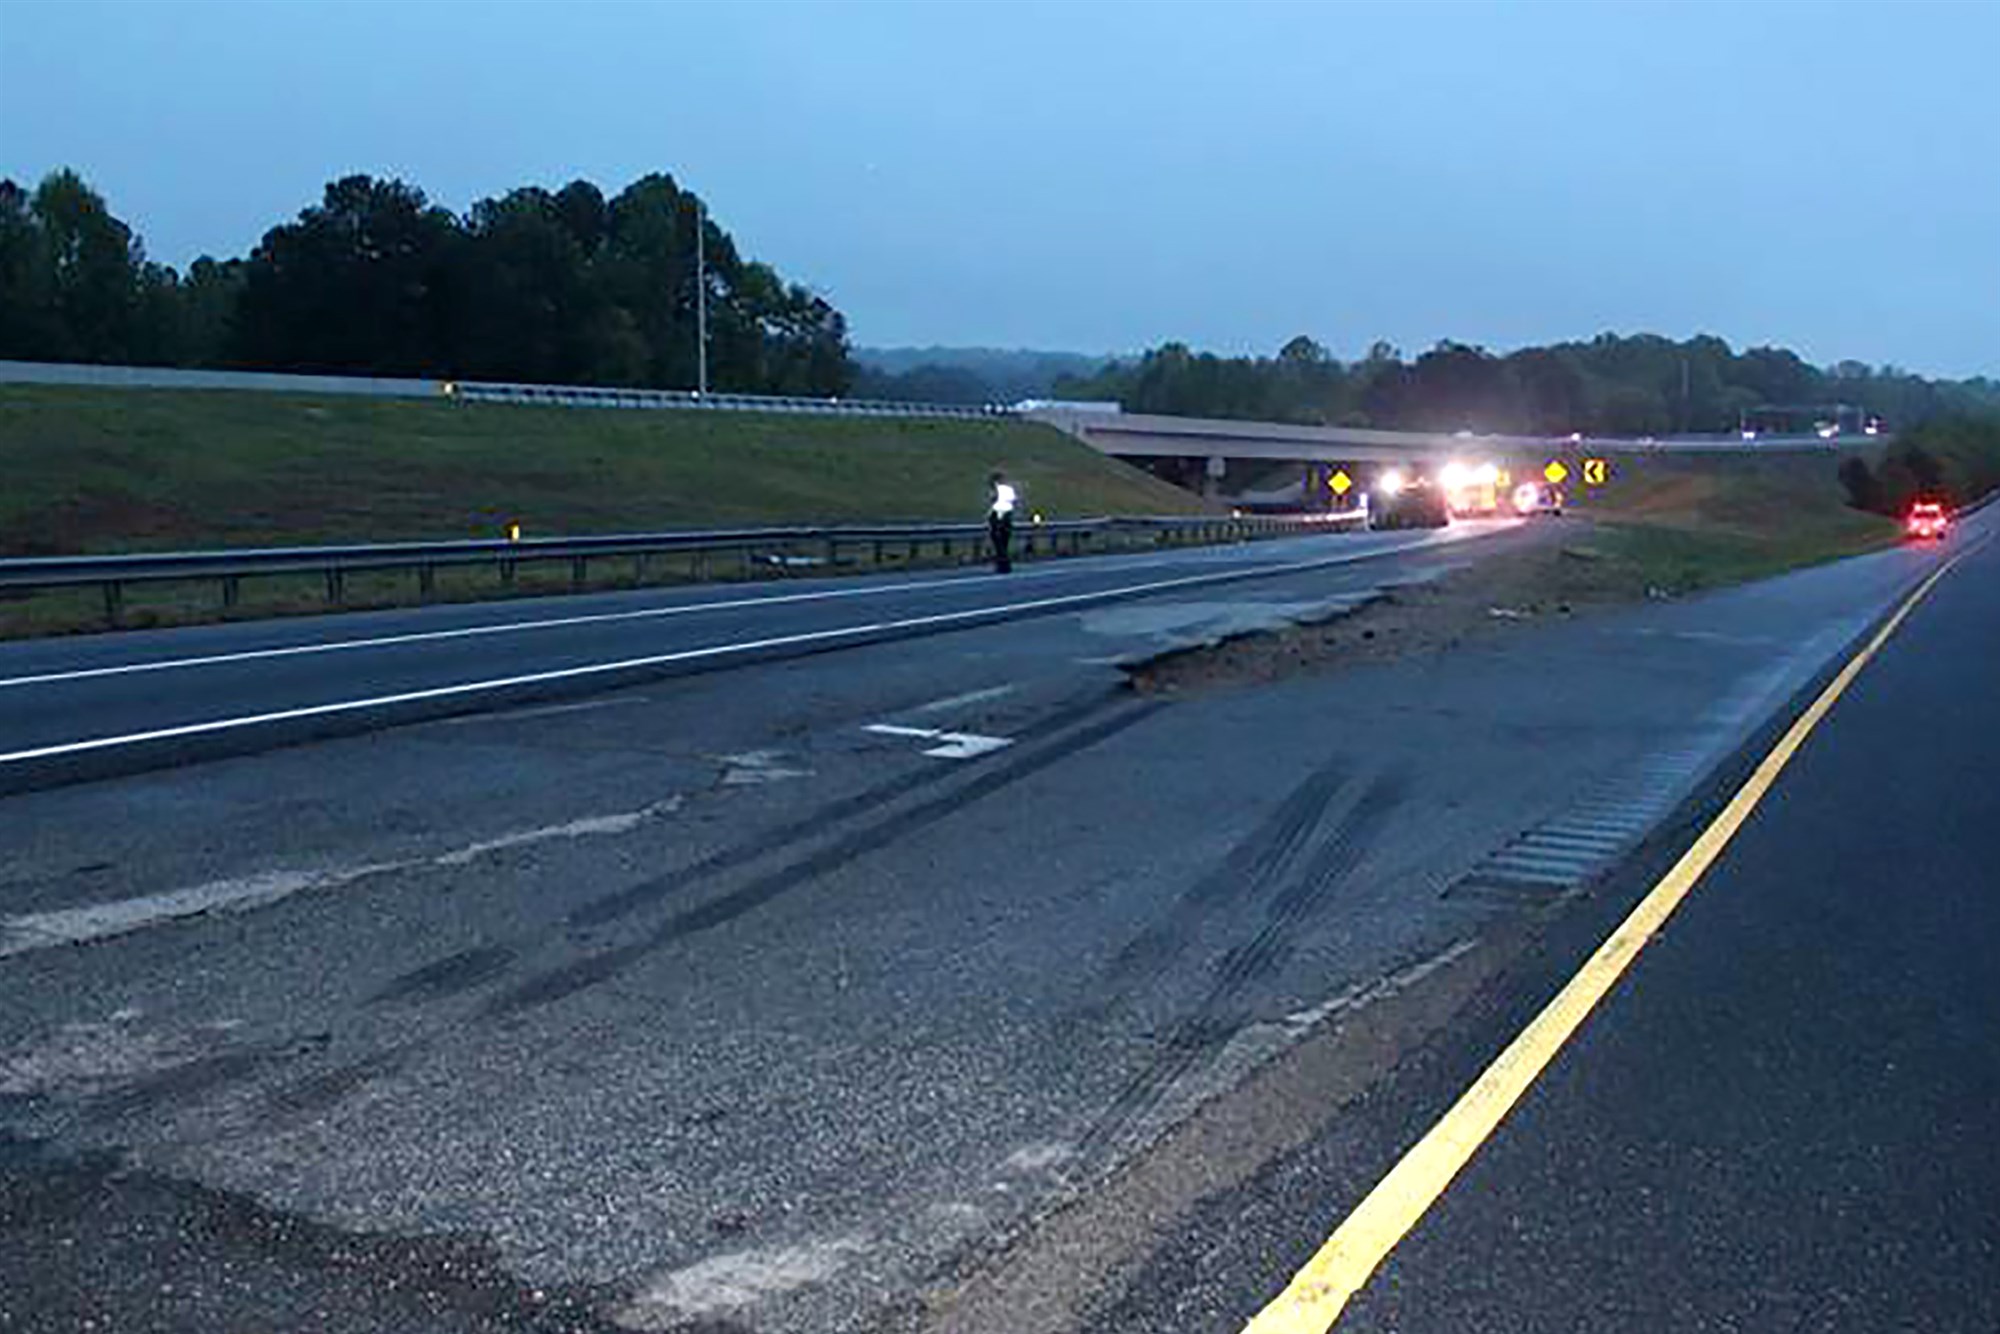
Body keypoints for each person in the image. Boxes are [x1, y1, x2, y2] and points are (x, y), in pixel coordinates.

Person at [987, 469, 1018, 573]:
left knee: (997, 541)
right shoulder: (1009, 489)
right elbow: (1014, 501)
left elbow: (993, 500)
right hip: (1008, 515)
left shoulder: (995, 489)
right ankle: (1004, 564)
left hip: (997, 515)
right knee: (1005, 541)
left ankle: (1003, 564)